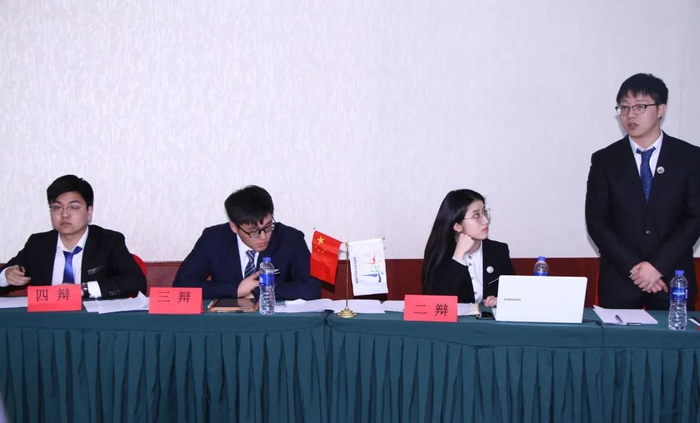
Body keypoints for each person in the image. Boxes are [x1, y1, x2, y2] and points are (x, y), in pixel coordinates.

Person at [586, 73, 700, 310]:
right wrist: (636, 269)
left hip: (672, 279)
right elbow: (597, 222)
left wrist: (657, 267)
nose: (630, 115)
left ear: (661, 110)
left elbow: (694, 219)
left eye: (640, 106)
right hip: (620, 280)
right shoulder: (605, 160)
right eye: (624, 107)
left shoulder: (689, 158)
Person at [0, 175, 146, 298]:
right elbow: (9, 272)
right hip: (48, 320)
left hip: (93, 320)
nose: (64, 214)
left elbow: (136, 281)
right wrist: (6, 276)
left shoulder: (108, 241)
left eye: (74, 207)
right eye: (57, 207)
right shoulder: (38, 244)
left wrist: (83, 290)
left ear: (89, 211)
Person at [173, 185, 320, 300]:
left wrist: (258, 291)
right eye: (254, 231)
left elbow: (311, 288)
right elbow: (181, 284)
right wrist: (235, 289)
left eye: (268, 226)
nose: (263, 237)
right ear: (234, 227)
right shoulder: (213, 239)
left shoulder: (290, 239)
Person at [422, 189, 515, 306]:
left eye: (484, 212)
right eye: (476, 216)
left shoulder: (498, 251)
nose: (485, 221)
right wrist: (458, 255)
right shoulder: (440, 253)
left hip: (489, 317)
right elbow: (440, 301)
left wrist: (500, 300)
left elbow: (513, 294)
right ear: (457, 226)